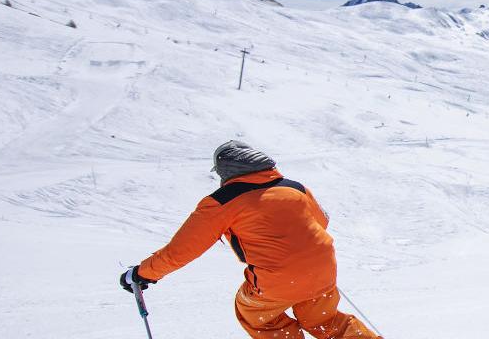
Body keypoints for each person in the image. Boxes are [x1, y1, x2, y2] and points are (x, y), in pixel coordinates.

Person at [120, 140, 379, 338]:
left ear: (225, 171)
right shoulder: (294, 187)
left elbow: (180, 251)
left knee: (256, 315)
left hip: (277, 281)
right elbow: (321, 221)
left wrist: (143, 273)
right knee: (323, 320)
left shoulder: (222, 202)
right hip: (322, 271)